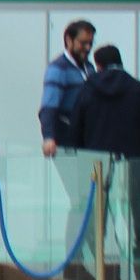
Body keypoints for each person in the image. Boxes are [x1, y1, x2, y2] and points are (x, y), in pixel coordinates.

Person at [66, 45, 140, 280]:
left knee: (99, 219)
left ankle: (108, 276)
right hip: (135, 165)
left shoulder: (87, 90)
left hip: (97, 167)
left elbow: (74, 133)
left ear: (98, 65)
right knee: (137, 217)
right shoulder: (139, 89)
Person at [39, 19, 95, 250]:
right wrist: (49, 137)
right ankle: (75, 252)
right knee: (80, 198)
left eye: (90, 43)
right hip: (67, 142)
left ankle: (89, 249)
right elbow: (48, 106)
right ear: (69, 40)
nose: (87, 48)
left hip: (86, 143)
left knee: (89, 199)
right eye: (83, 43)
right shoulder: (58, 69)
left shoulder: (88, 69)